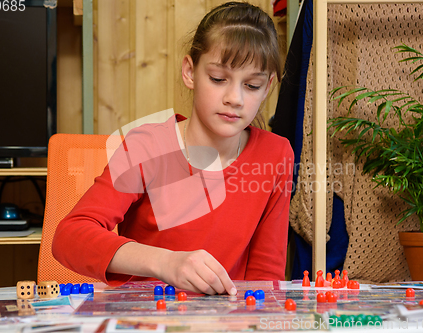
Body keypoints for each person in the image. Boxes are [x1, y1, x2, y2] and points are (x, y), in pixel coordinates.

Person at [52, 1, 294, 296]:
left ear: (268, 87)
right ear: (190, 72)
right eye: (218, 79)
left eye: (252, 85)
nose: (235, 98)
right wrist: (165, 262)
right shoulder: (148, 147)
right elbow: (69, 237)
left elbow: (264, 279)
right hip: (146, 320)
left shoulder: (276, 154)